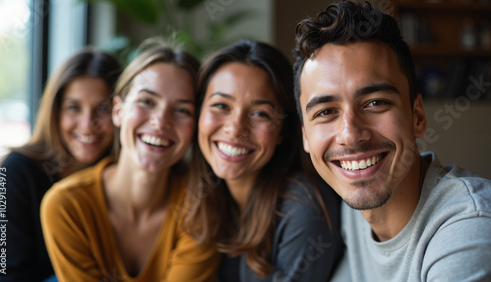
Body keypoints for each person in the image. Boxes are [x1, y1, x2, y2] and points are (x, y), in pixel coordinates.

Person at [293, 1, 491, 281]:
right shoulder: (354, 209)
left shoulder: (469, 228)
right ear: (305, 136)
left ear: (417, 117)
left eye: (375, 103)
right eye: (326, 112)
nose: (350, 134)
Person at [40, 41, 220, 281]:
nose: (160, 121)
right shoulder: (66, 206)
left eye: (182, 110)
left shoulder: (202, 207)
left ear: (195, 125)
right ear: (118, 111)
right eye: (146, 101)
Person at [183, 40, 343, 282]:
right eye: (220, 106)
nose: (235, 129)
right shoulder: (199, 196)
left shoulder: (304, 209)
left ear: (282, 130)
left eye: (260, 113)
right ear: (198, 114)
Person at [0, 47, 121, 281]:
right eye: (74, 107)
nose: (87, 124)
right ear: (55, 111)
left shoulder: (123, 175)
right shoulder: (16, 170)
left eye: (103, 108)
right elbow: (5, 272)